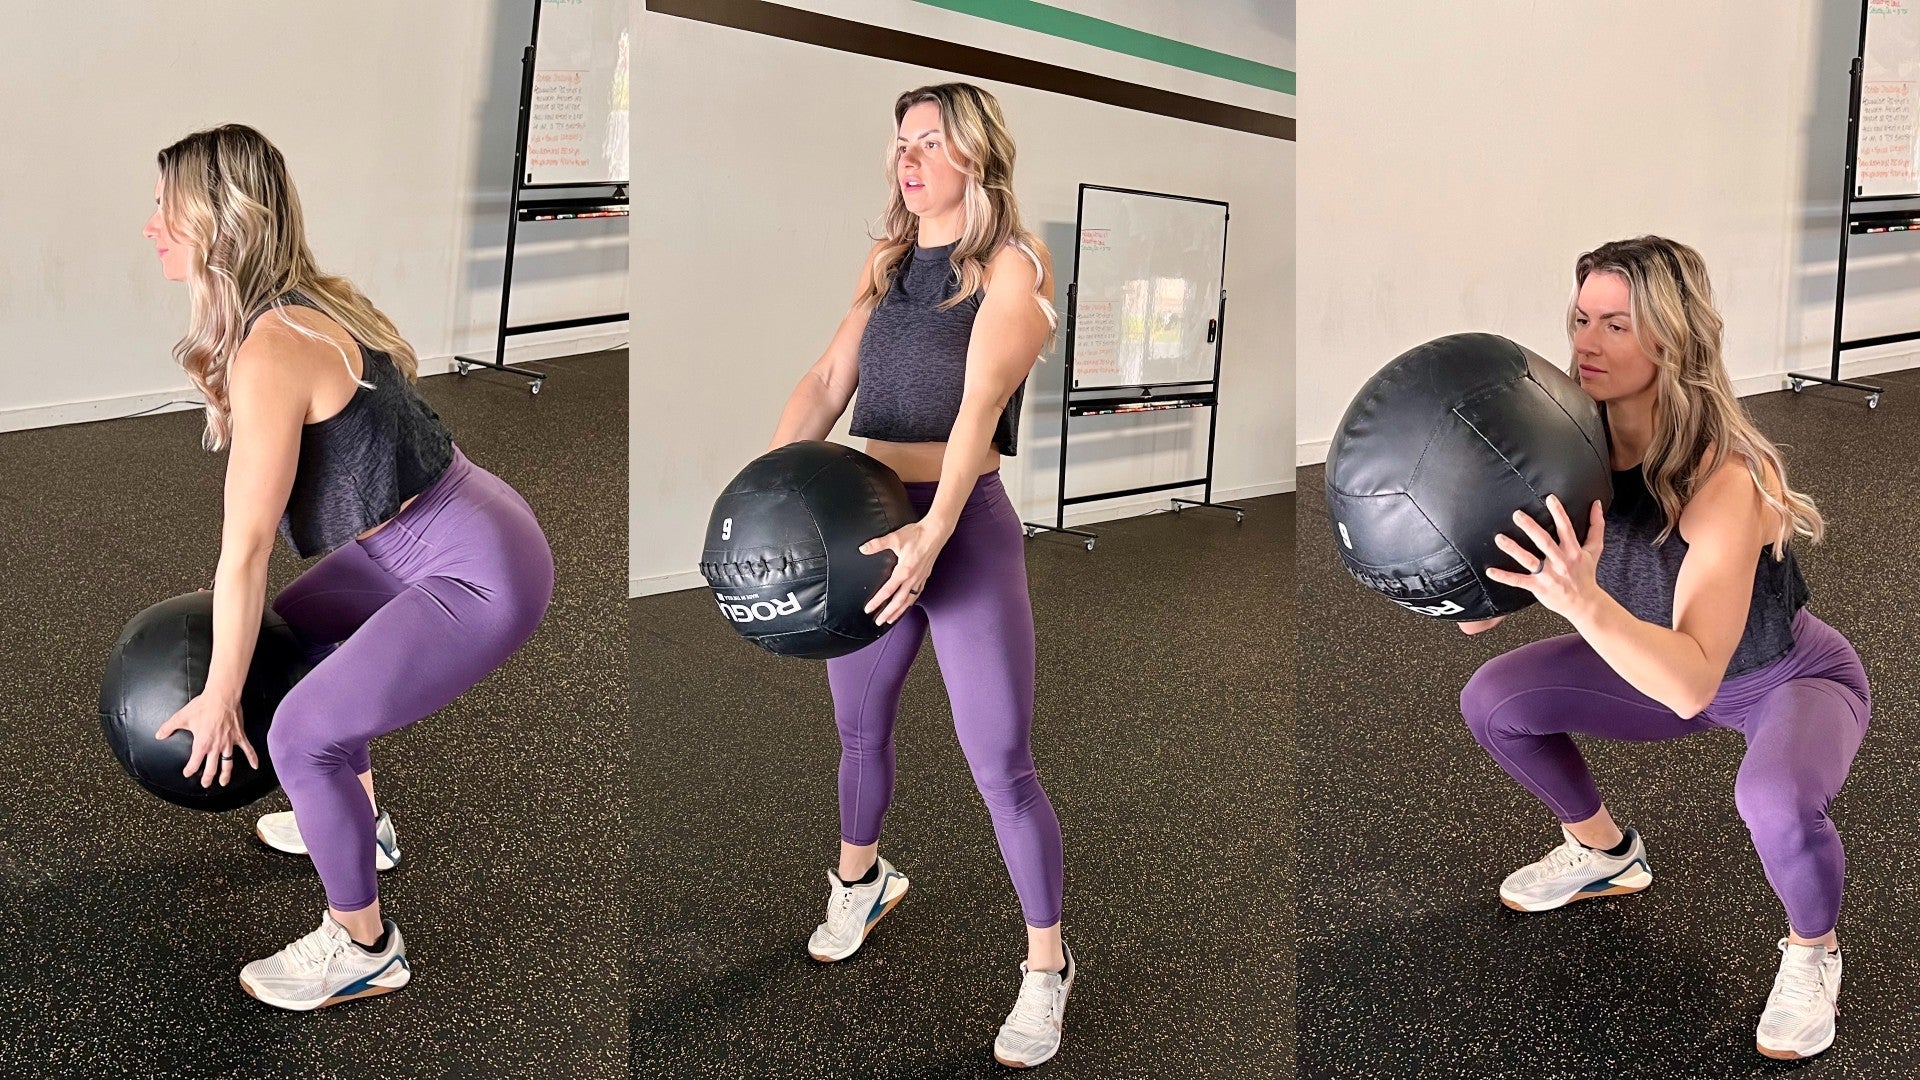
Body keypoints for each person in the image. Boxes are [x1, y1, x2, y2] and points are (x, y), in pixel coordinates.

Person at [142, 124, 555, 1010]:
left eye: (167, 211)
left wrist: (220, 695)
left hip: (475, 571)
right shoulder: (298, 302)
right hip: (448, 526)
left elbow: (245, 547)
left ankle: (364, 943)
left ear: (218, 223)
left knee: (296, 733)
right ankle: (364, 830)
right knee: (302, 640)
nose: (153, 229)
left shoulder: (270, 347)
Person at [1458, 236, 1869, 1061]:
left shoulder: (1726, 477)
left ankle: (1813, 951)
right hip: (1652, 659)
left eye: (1617, 324)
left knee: (1775, 801)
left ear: (1672, 338)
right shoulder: (1568, 449)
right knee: (1493, 700)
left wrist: (1581, 599)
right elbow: (1481, 615)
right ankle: (1605, 853)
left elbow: (1691, 683)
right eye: (1581, 319)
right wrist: (1456, 567)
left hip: (1781, 675)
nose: (1585, 343)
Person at [766, 83, 1069, 1068]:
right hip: (869, 522)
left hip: (963, 529)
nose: (909, 158)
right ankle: (860, 880)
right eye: (901, 142)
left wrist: (934, 534)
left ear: (974, 157)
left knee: (1001, 766)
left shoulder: (1013, 269)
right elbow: (824, 382)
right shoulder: (890, 262)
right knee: (858, 729)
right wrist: (770, 488)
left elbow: (978, 409)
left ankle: (1046, 965)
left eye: (930, 142)